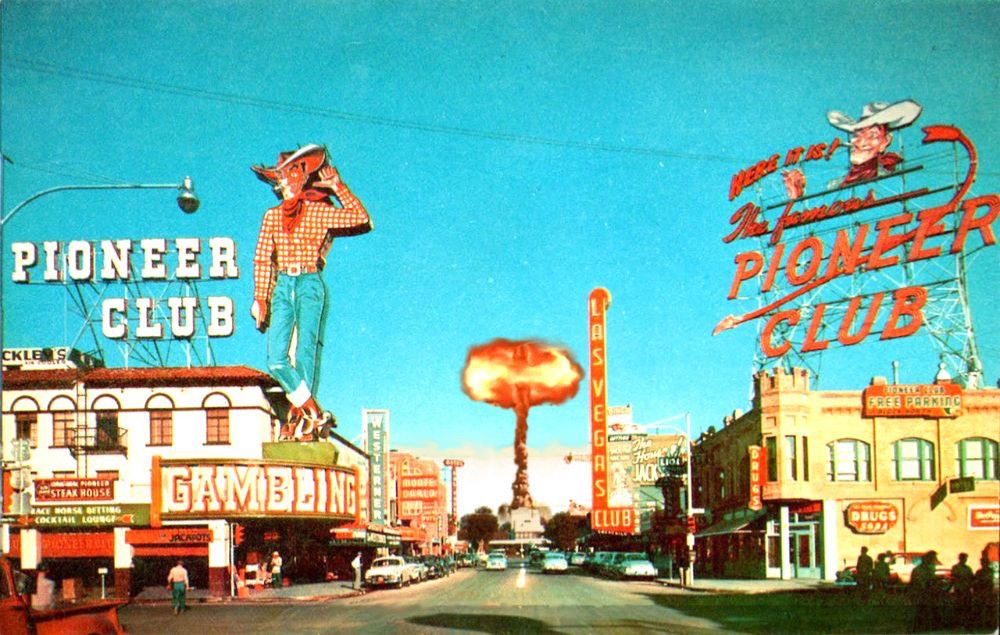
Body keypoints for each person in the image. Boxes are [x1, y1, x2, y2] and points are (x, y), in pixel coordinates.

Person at [250, 144, 373, 441]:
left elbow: (359, 218)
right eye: (278, 177)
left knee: (306, 354)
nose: (282, 182)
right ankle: (315, 414)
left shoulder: (318, 212)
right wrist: (260, 296)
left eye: (288, 175)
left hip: (309, 283)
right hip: (282, 287)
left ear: (301, 179)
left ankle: (299, 422)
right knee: (276, 359)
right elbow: (263, 257)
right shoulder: (271, 216)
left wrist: (338, 187)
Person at [782, 99, 922, 199]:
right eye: (856, 134)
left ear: (885, 142)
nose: (859, 141)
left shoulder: (892, 180)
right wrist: (797, 198)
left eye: (872, 134)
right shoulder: (835, 185)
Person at [910, 550, 944, 632]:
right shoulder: (919, 570)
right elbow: (919, 583)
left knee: (929, 610)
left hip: (929, 593)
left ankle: (930, 626)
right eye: (933, 558)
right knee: (922, 610)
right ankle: (920, 628)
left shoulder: (929, 569)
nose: (934, 560)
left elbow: (931, 579)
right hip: (922, 593)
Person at [948, 552, 974, 630]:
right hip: (959, 590)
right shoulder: (956, 568)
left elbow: (971, 579)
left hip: (965, 590)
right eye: (964, 558)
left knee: (966, 608)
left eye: (965, 558)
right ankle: (958, 624)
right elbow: (953, 579)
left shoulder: (967, 568)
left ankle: (965, 624)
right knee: (959, 608)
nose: (965, 560)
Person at [972, 555, 998, 631]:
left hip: (986, 592)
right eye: (982, 562)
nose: (982, 564)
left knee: (987, 609)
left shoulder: (988, 571)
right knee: (981, 608)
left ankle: (986, 624)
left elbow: (988, 581)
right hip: (981, 592)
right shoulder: (979, 572)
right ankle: (981, 624)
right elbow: (975, 581)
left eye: (983, 562)